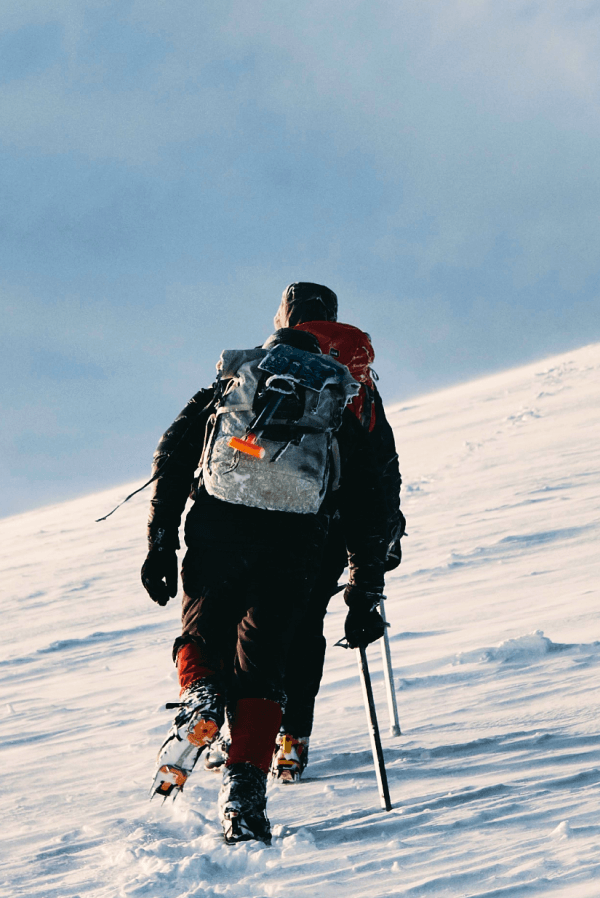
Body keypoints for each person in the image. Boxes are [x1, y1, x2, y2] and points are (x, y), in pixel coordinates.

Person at [140, 321, 391, 845]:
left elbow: (174, 457)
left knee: (202, 632)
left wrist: (160, 541)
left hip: (218, 529)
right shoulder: (336, 408)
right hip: (295, 546)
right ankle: (245, 793)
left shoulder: (231, 388)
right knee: (263, 666)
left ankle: (201, 694)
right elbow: (371, 507)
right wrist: (363, 591)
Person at [270, 284, 404, 784]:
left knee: (255, 625)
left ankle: (242, 731)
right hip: (337, 524)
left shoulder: (270, 364)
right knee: (307, 626)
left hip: (273, 517)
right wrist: (386, 532)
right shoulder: (356, 374)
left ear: (285, 316)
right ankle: (293, 738)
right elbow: (381, 460)